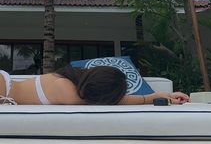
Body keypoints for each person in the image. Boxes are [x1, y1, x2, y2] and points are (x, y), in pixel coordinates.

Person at [0, 66, 189, 105]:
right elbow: (118, 101)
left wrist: (157, 96)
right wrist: (150, 98)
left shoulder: (72, 80)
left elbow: (117, 100)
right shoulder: (69, 92)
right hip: (4, 88)